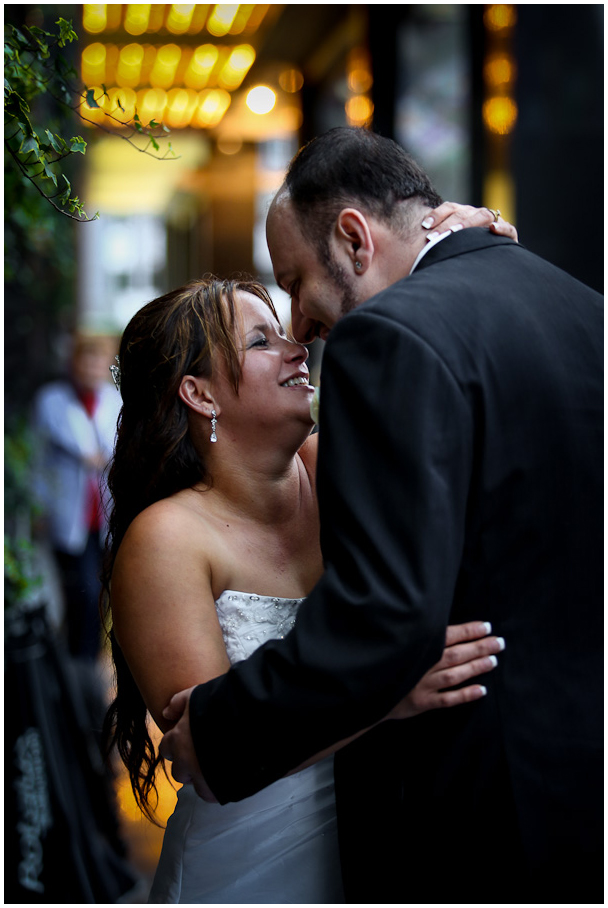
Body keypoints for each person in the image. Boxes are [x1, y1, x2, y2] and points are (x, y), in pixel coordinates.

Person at [161, 128, 603, 904]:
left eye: (297, 283)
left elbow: (384, 617)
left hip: (472, 811)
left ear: (354, 238)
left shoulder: (388, 337)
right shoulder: (583, 308)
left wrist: (222, 731)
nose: (301, 326)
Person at [101, 276, 505, 904]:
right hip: (247, 863)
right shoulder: (166, 540)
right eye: (263, 341)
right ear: (199, 393)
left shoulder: (334, 467)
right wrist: (384, 695)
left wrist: (461, 243)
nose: (298, 349)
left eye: (287, 333)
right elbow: (210, 751)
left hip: (379, 840)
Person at [33, 331, 121, 661]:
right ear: (74, 362)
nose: (92, 367)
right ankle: (76, 663)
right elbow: (37, 459)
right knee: (79, 592)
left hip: (104, 513)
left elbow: (116, 451)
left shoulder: (115, 401)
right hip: (67, 513)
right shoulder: (51, 401)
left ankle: (84, 661)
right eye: (87, 359)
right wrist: (38, 507)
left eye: (99, 360)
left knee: (98, 592)